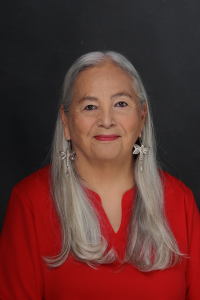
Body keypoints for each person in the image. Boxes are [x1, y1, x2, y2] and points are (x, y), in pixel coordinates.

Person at [0, 51, 200, 299]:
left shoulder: (180, 200)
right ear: (66, 121)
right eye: (90, 106)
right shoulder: (29, 201)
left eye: (121, 104)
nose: (106, 120)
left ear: (142, 117)